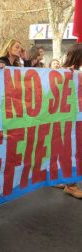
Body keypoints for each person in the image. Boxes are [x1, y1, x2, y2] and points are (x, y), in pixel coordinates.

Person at [56, 44, 82, 198]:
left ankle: (65, 180)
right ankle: (71, 185)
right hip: (67, 119)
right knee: (71, 150)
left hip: (75, 117)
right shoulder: (63, 72)